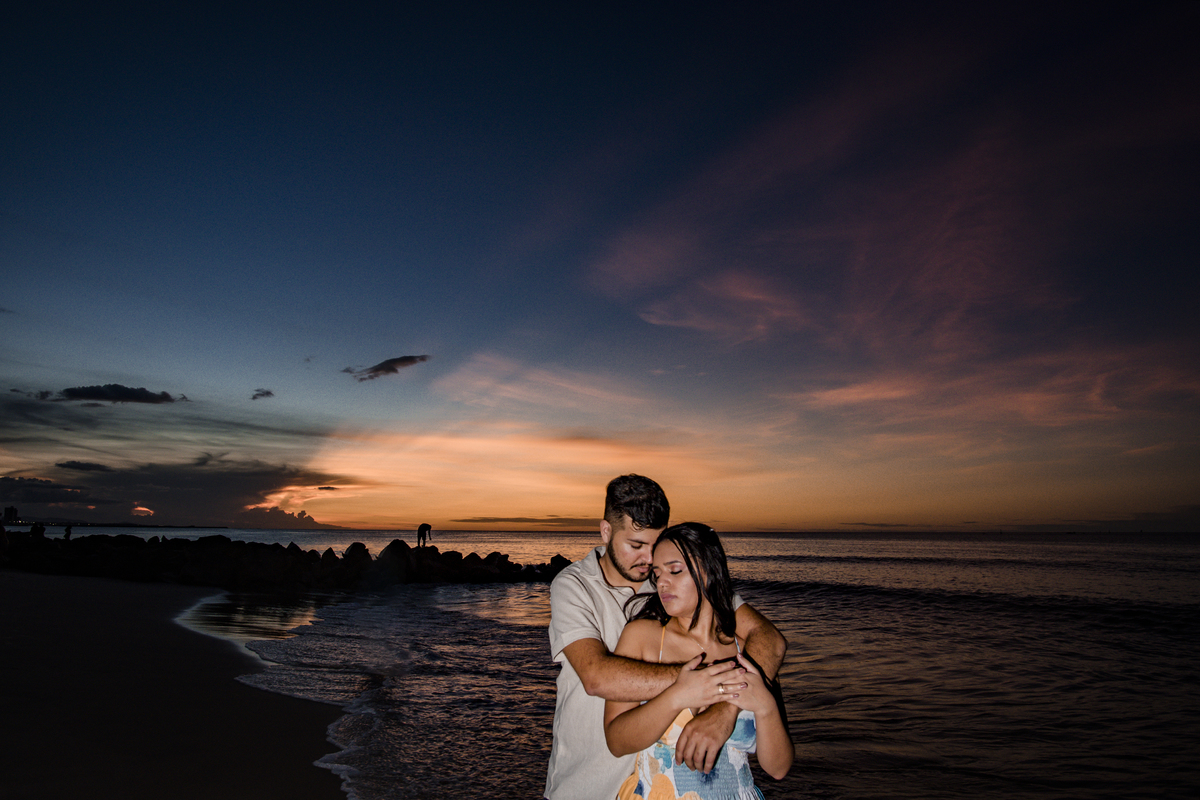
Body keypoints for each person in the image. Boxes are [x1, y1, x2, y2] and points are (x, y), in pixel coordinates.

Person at [545, 475, 786, 800]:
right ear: (606, 532)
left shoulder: (679, 585)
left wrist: (724, 712)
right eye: (636, 545)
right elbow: (597, 677)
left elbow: (767, 639)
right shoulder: (575, 586)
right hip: (589, 782)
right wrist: (701, 684)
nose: (648, 561)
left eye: (656, 546)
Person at [604, 523, 793, 799]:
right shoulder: (644, 638)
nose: (662, 583)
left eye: (675, 570)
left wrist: (766, 708)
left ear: (708, 570)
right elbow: (616, 741)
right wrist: (677, 696)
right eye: (657, 574)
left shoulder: (746, 650)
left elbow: (778, 768)